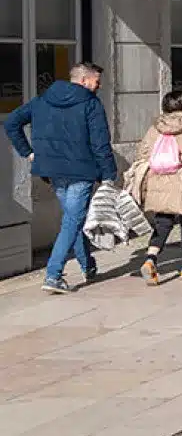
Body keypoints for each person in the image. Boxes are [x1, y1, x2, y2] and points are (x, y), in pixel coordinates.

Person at [4, 63, 116, 293]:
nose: (99, 85)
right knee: (72, 221)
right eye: (96, 81)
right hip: (81, 171)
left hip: (52, 171)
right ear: (84, 80)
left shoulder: (41, 101)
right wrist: (109, 175)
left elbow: (11, 122)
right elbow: (100, 143)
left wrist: (29, 153)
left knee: (73, 219)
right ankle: (53, 275)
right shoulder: (90, 103)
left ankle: (88, 265)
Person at [126, 91, 182, 285]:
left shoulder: (156, 127)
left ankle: (151, 259)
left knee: (162, 221)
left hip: (159, 180)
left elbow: (143, 153)